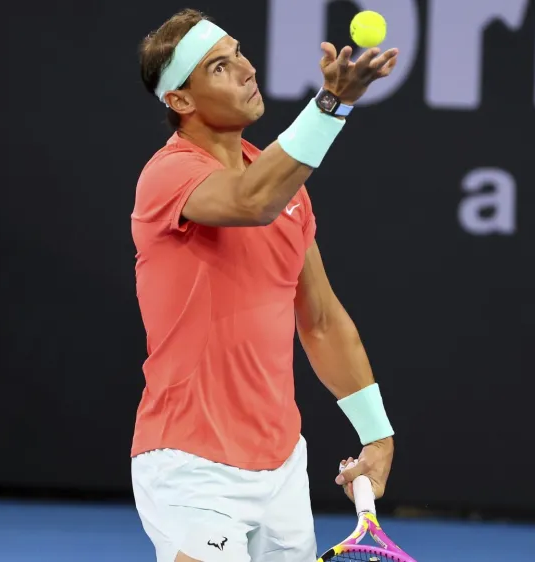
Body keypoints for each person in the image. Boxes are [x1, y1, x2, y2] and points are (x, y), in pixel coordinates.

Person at [128, 8, 401, 562]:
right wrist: (332, 105)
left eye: (239, 53)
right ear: (180, 101)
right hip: (191, 462)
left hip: (280, 468)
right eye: (221, 67)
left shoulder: (290, 194)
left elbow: (321, 320)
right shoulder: (169, 176)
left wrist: (377, 435)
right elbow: (251, 200)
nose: (247, 70)